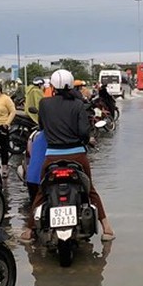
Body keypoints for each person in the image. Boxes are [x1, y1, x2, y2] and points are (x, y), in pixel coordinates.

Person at [20, 69, 115, 242]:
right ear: (71, 85)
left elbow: (42, 127)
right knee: (89, 189)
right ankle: (107, 228)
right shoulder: (78, 104)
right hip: (77, 155)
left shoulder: (44, 104)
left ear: (52, 86)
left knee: (42, 190)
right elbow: (84, 132)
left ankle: (29, 229)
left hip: (52, 157)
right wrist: (86, 140)